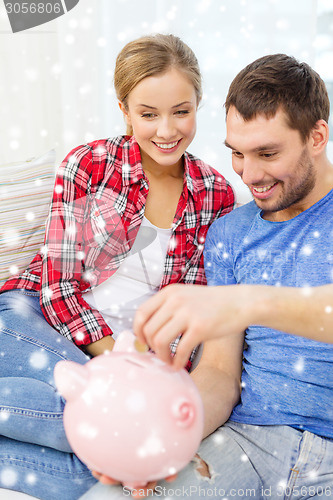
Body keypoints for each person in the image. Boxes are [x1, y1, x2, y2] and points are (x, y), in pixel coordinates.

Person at [84, 54, 333, 499]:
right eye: (237, 153)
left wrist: (250, 302)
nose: (250, 175)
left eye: (267, 153)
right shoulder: (231, 233)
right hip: (250, 443)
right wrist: (166, 439)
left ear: (317, 136)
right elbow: (219, 372)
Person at [0, 34, 234, 499]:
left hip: (134, 361)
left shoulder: (215, 193)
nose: (166, 129)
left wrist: (150, 370)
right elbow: (57, 290)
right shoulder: (88, 165)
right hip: (35, 319)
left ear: (199, 103)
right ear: (124, 110)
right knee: (122, 433)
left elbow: (190, 310)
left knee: (112, 456)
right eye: (148, 114)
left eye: (181, 111)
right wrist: (121, 368)